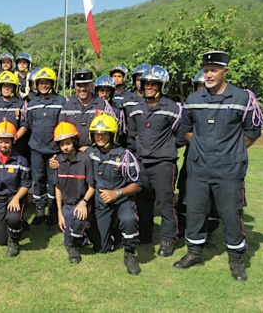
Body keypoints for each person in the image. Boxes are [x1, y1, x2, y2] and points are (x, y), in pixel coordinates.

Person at [174, 51, 263, 281]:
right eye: (206, 70)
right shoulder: (194, 99)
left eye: (214, 70)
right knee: (195, 213)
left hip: (229, 170)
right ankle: (194, 252)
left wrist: (230, 151)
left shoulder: (242, 98)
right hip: (198, 169)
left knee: (231, 215)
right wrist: (203, 147)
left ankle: (236, 260)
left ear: (225, 71)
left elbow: (252, 133)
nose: (209, 74)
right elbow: (186, 130)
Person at [127, 65, 186, 255]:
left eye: (154, 84)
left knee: (165, 203)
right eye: (146, 83)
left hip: (163, 164)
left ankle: (168, 239)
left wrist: (164, 148)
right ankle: (144, 234)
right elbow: (132, 135)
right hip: (142, 164)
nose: (149, 87)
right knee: (142, 203)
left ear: (162, 85)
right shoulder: (136, 108)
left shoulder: (173, 108)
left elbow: (181, 136)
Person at [87, 114, 142, 274]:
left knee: (129, 219)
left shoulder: (125, 155)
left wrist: (117, 193)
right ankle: (113, 233)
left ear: (113, 135)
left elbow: (138, 184)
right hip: (100, 202)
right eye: (97, 134)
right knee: (101, 249)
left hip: (121, 200)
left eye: (104, 134)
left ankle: (130, 253)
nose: (100, 137)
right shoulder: (89, 153)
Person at [176, 70, 219, 245]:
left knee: (213, 198)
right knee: (185, 193)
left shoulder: (220, 107)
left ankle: (209, 232)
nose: (203, 89)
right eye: (199, 86)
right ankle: (182, 227)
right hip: (192, 158)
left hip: (216, 160)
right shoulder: (190, 107)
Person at [0, 121, 31, 257]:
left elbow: (26, 184)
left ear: (12, 141)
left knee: (13, 219)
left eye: (7, 142)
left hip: (13, 199)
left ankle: (14, 242)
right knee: (1, 240)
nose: (3, 145)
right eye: (1, 141)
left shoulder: (21, 160)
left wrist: (16, 198)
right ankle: (18, 224)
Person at [25, 67, 66, 225]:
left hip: (54, 150)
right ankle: (40, 210)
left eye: (46, 82)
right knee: (39, 179)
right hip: (36, 149)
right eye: (40, 82)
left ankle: (53, 211)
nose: (43, 85)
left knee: (53, 181)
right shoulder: (32, 103)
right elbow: (29, 124)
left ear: (52, 83)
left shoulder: (61, 101)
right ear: (36, 84)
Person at [52, 121, 95, 264]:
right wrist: (59, 213)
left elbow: (92, 187)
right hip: (66, 204)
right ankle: (82, 237)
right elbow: (57, 188)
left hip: (81, 202)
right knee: (69, 232)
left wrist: (83, 203)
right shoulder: (57, 161)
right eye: (62, 144)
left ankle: (74, 247)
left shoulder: (85, 160)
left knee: (74, 228)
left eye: (68, 143)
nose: (65, 147)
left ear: (75, 142)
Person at [59, 69, 112, 152]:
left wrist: (91, 148)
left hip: (96, 152)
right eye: (79, 85)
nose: (82, 88)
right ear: (75, 86)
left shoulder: (103, 105)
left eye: (85, 85)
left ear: (92, 86)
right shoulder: (67, 106)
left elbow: (110, 131)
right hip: (72, 153)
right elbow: (61, 131)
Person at [0, 71, 28, 157]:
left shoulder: (22, 105)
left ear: (15, 88)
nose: (6, 88)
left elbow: (25, 125)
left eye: (9, 86)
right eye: (4, 86)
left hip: (16, 148)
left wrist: (14, 138)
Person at [121, 64, 151, 153]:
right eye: (138, 79)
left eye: (144, 79)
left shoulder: (157, 101)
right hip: (132, 146)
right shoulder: (127, 101)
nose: (140, 82)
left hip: (152, 146)